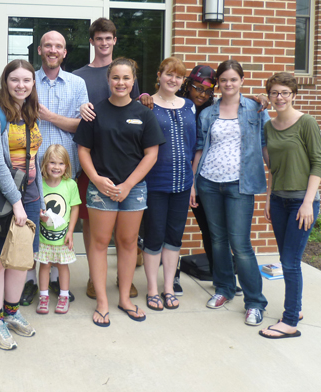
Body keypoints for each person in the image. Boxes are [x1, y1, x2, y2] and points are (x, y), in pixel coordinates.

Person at [74, 57, 165, 327]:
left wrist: (128, 185)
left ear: (133, 81)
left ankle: (124, 298)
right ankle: (102, 302)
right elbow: (83, 151)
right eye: (116, 78)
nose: (121, 83)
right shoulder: (94, 112)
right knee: (99, 244)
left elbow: (151, 154)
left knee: (127, 243)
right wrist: (97, 179)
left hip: (133, 190)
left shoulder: (144, 114)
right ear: (108, 80)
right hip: (100, 189)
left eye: (126, 78)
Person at [192, 59, 270, 326]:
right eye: (223, 80)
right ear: (218, 83)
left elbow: (265, 144)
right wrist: (193, 183)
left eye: (233, 80)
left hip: (240, 184)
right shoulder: (208, 113)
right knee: (217, 240)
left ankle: (255, 302)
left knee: (241, 245)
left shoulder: (256, 109)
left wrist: (276, 173)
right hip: (209, 182)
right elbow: (200, 148)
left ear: (242, 81)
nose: (228, 84)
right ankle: (224, 288)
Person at [0, 59, 43, 350]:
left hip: (29, 199)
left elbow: (33, 159)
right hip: (0, 200)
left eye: (27, 80)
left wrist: (36, 199)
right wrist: (16, 202)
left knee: (20, 260)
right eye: (15, 80)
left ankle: (12, 312)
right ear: (5, 82)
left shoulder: (28, 112)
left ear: (32, 84)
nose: (21, 85)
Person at [74, 17, 141, 301]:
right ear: (92, 41)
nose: (103, 43)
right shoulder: (79, 76)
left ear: (114, 41)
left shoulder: (125, 73)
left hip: (125, 163)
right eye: (98, 38)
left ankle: (123, 278)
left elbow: (137, 110)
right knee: (93, 225)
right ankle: (94, 277)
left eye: (108, 38)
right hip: (94, 161)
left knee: (126, 227)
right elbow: (76, 115)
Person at [20, 30, 88, 307]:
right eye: (48, 45)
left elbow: (82, 125)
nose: (52, 50)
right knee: (29, 227)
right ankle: (29, 282)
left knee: (58, 224)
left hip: (64, 171)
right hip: (30, 171)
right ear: (39, 50)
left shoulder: (77, 84)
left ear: (64, 53)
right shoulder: (26, 80)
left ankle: (59, 281)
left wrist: (48, 116)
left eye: (58, 46)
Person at [260, 72, 321, 339]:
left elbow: (318, 163)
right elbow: (273, 167)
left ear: (294, 95)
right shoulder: (269, 127)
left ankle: (289, 322)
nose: (280, 97)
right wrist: (268, 197)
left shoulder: (306, 122)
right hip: (278, 201)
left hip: (302, 202)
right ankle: (294, 309)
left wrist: (308, 202)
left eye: (285, 92)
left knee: (290, 261)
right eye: (275, 92)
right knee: (288, 261)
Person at [142, 57, 196, 311]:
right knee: (154, 237)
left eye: (178, 76)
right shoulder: (147, 105)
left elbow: (195, 144)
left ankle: (168, 287)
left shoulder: (190, 107)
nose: (173, 80)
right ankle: (152, 289)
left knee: (174, 238)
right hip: (155, 184)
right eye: (169, 74)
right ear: (159, 75)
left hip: (183, 184)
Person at [35, 144, 81, 315]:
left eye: (61, 163)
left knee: (63, 266)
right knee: (44, 266)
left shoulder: (70, 185)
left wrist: (70, 231)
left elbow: (75, 208)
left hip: (62, 237)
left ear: (67, 166)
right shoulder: (40, 184)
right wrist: (40, 216)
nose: (56, 167)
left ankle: (63, 296)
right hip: (44, 237)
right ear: (45, 164)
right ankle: (44, 296)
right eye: (52, 162)